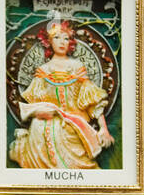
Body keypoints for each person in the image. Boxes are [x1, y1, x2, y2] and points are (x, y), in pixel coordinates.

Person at [9, 19, 113, 169]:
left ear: (70, 42)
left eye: (66, 38)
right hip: (47, 121)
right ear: (48, 42)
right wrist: (39, 112)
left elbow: (91, 101)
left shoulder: (77, 67)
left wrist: (104, 128)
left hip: (73, 122)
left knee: (68, 134)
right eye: (57, 37)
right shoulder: (44, 70)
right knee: (38, 127)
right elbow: (34, 104)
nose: (62, 42)